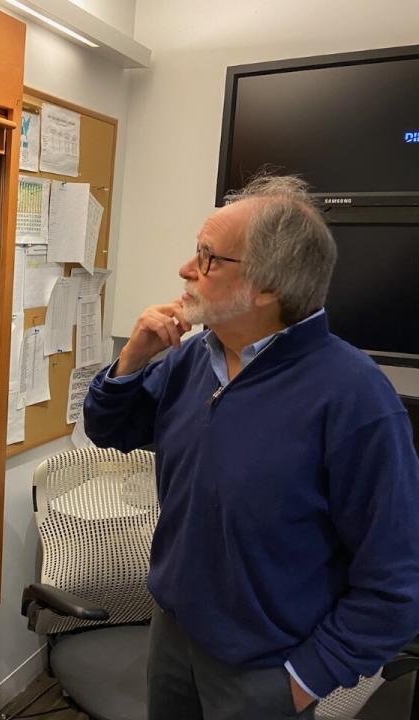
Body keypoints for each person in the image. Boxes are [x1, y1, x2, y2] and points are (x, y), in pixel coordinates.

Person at [83, 175, 419, 720]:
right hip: (173, 636)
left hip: (266, 669)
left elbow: (396, 581)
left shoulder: (354, 397)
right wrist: (131, 359)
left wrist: (301, 682)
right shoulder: (192, 358)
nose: (186, 270)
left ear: (266, 286)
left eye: (208, 258)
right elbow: (109, 430)